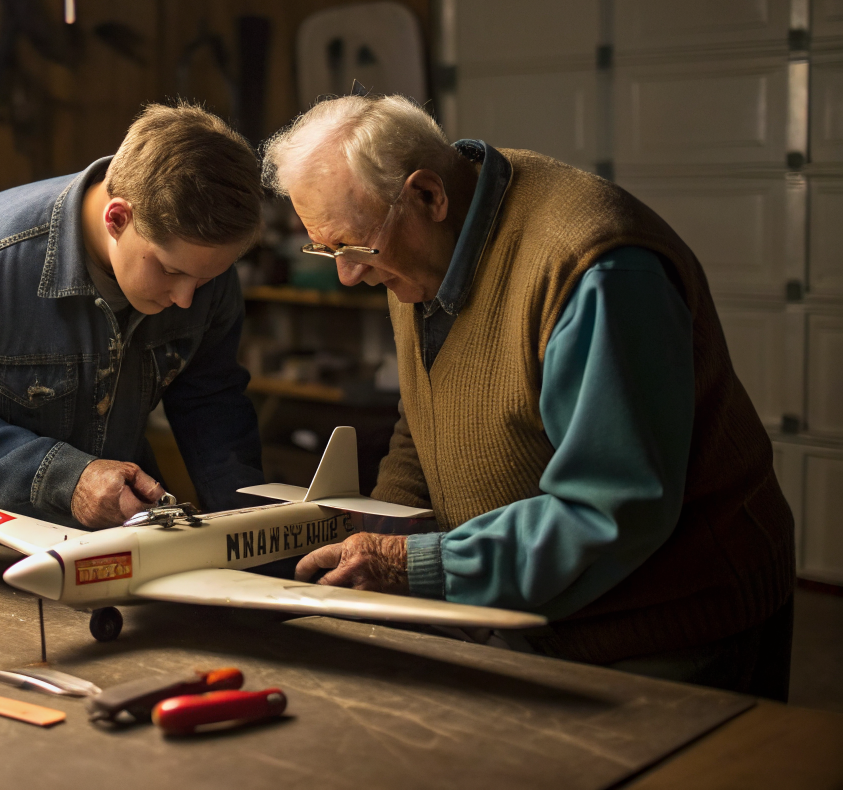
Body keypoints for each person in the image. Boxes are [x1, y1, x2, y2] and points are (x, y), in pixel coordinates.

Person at [264, 92, 795, 698]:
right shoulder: (412, 244)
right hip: (531, 612)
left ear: (427, 195)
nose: (346, 275)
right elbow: (428, 419)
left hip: (671, 620)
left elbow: (613, 509)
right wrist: (378, 543)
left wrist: (416, 566)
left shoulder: (595, 270)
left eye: (353, 249)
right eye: (328, 250)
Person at [0, 103, 265, 532]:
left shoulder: (202, 267)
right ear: (117, 218)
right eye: (171, 271)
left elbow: (211, 406)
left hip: (103, 545)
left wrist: (252, 537)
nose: (188, 298)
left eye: (206, 278)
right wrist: (67, 478)